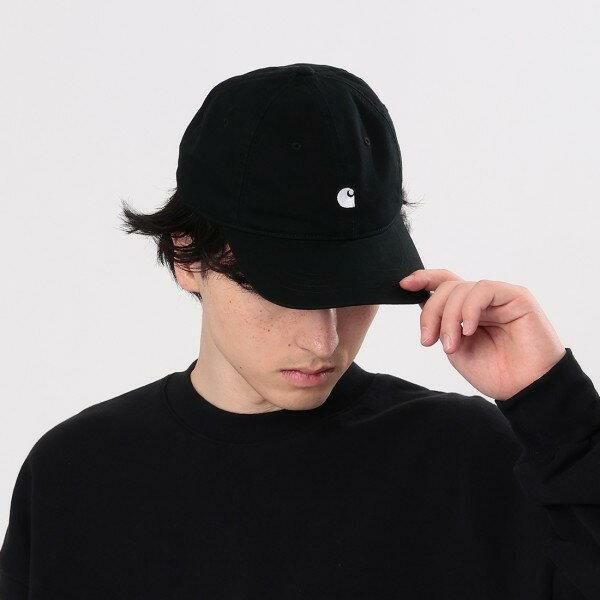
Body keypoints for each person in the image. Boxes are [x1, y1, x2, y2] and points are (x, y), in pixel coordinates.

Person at [1, 62, 598, 599]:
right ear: (186, 257)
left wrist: (556, 409)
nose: (324, 341)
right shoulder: (75, 476)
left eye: (354, 289)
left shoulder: (471, 457)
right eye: (283, 290)